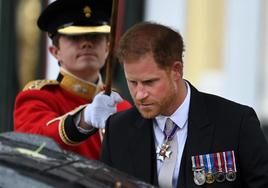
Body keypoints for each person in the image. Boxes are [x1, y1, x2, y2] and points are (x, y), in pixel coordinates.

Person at [100, 22, 268, 188]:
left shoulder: (236, 123)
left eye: (149, 82)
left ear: (177, 70)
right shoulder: (117, 129)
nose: (139, 94)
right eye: (132, 82)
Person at [13, 0, 131, 160]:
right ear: (55, 51)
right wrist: (84, 118)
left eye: (95, 37)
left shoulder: (123, 108)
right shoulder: (38, 97)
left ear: (107, 47)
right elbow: (33, 139)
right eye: (75, 38)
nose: (87, 43)